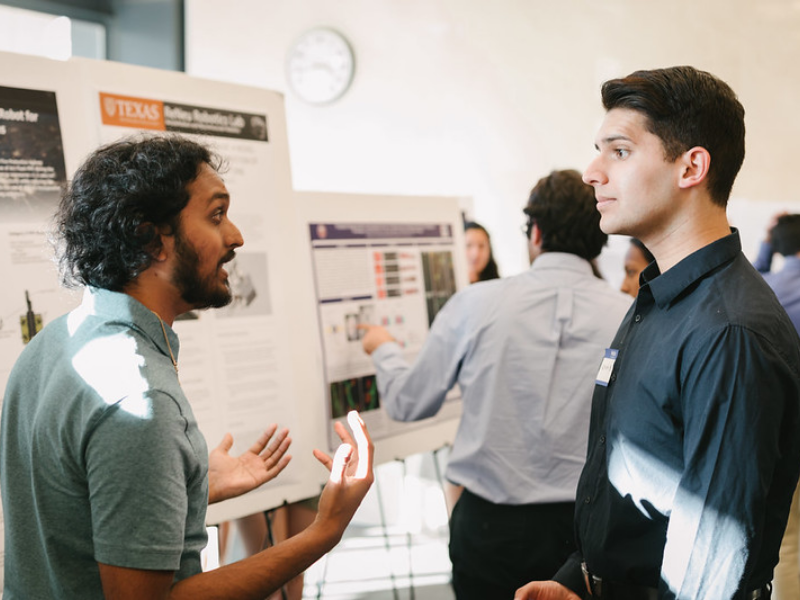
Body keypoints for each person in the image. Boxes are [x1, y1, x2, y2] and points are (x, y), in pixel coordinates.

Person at [0, 135, 374, 600]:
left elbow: (73, 515)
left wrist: (192, 484)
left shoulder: (52, 344)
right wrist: (324, 531)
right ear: (152, 238)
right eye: (216, 215)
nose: (236, 236)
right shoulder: (140, 400)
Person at [515, 66, 800, 600]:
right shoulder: (659, 297)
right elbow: (635, 478)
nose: (592, 172)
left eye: (618, 152)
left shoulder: (728, 331)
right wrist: (580, 579)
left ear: (691, 167)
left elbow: (709, 572)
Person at [361, 169, 631, 600]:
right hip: (586, 531)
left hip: (489, 529)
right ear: (601, 233)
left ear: (536, 231)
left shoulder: (475, 302)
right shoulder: (631, 315)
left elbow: (409, 402)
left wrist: (384, 349)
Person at [752, 213, 800, 600]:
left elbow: (747, 280)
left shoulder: (767, 289)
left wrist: (768, 242)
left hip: (788, 422)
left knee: (790, 540)